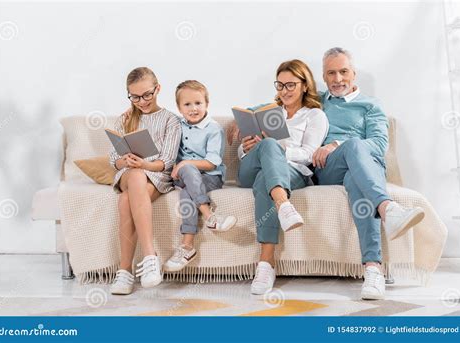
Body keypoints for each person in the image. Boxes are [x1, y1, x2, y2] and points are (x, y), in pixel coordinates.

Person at [313, 47, 425, 300]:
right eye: (331, 73)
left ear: (354, 73)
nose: (338, 78)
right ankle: (388, 209)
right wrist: (248, 126)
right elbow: (281, 102)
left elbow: (378, 145)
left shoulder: (371, 105)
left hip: (363, 169)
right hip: (328, 169)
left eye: (343, 71)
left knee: (357, 178)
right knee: (352, 147)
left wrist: (337, 144)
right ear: (324, 76)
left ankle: (373, 270)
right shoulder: (316, 102)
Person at [236, 60, 329, 294]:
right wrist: (246, 148)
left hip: (292, 171)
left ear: (305, 85)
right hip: (252, 168)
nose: (284, 91)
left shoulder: (314, 115)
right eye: (280, 85)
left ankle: (266, 264)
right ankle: (283, 205)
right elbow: (243, 153)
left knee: (264, 178)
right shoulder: (268, 112)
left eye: (290, 85)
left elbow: (308, 155)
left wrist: (278, 149)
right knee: (266, 145)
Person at [109, 67, 181, 295]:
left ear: (157, 89)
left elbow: (167, 161)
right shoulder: (126, 118)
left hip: (156, 176)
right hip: (128, 174)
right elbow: (114, 159)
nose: (142, 101)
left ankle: (125, 271)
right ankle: (151, 256)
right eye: (135, 97)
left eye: (147, 95)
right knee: (135, 175)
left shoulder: (171, 120)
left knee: (125, 202)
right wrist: (125, 160)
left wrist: (144, 164)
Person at [163, 80, 237, 272]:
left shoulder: (213, 129)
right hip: (181, 176)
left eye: (198, 103)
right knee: (186, 174)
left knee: (186, 192)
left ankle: (187, 246)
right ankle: (211, 217)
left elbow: (212, 163)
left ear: (207, 104)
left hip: (209, 177)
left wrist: (185, 163)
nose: (193, 108)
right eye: (187, 104)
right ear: (179, 108)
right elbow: (156, 116)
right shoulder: (176, 124)